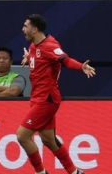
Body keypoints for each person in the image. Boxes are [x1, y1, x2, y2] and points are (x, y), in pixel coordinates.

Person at [18, 14, 96, 174]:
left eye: (26, 26)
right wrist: (29, 57)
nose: (23, 29)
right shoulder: (33, 46)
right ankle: (74, 171)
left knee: (22, 136)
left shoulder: (50, 45)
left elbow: (65, 60)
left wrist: (81, 66)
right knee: (48, 139)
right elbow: (39, 58)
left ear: (35, 29)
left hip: (47, 99)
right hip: (36, 98)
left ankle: (40, 172)